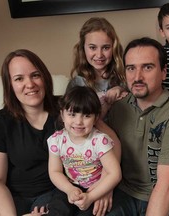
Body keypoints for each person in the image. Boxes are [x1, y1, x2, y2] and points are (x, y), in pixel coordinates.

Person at [106, 37, 169, 216]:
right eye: (131, 68)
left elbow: (166, 184)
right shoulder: (117, 108)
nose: (137, 77)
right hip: (126, 192)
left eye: (147, 67)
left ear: (164, 72)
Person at [0, 49, 59, 216]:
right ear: (10, 85)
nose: (30, 84)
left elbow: (105, 138)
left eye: (35, 75)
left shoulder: (68, 109)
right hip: (9, 195)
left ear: (44, 77)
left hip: (53, 193)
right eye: (19, 79)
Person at [43, 86, 121, 215]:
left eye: (86, 115)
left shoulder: (100, 140)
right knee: (57, 210)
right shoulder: (56, 140)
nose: (78, 122)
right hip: (70, 186)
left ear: (96, 118)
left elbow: (115, 174)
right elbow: (55, 171)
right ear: (62, 114)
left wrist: (91, 197)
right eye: (72, 114)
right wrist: (69, 190)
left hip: (96, 187)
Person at [66, 17, 128, 118]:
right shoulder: (77, 84)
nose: (99, 55)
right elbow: (69, 119)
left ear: (114, 48)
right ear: (83, 48)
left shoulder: (123, 78)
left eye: (106, 48)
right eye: (92, 47)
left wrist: (120, 88)